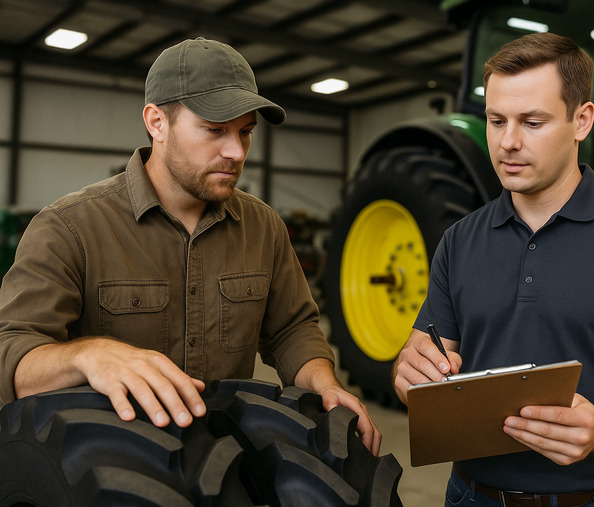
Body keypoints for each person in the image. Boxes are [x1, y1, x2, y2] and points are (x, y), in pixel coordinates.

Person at [0, 37, 380, 456]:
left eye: (246, 132)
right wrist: (89, 355)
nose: (236, 152)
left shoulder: (264, 228)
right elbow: (12, 357)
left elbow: (293, 330)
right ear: (157, 122)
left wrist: (325, 386)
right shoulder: (69, 228)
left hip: (222, 462)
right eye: (215, 130)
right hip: (105, 469)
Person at [393, 32, 594, 505]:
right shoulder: (459, 240)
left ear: (582, 120)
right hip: (471, 496)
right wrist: (411, 374)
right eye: (497, 120)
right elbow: (428, 364)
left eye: (532, 122)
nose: (508, 142)